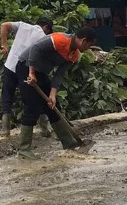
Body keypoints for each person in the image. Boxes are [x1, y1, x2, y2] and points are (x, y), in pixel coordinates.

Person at [17, 26, 96, 158]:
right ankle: (24, 150)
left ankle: (68, 142)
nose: (88, 49)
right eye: (90, 45)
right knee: (33, 107)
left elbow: (59, 75)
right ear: (83, 41)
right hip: (26, 67)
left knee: (52, 106)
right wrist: (31, 73)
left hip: (41, 73)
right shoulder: (59, 39)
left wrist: (52, 95)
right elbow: (35, 48)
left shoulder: (74, 54)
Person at [0, 17, 54, 137]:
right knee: (35, 97)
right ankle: (44, 128)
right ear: (46, 27)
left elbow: (4, 25)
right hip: (27, 71)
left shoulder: (22, 26)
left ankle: (5, 129)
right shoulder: (44, 37)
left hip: (10, 65)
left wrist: (4, 45)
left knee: (7, 95)